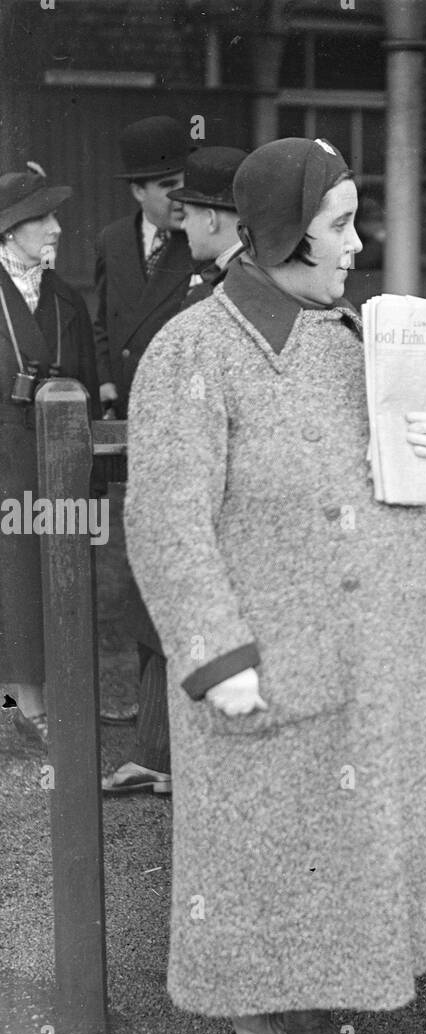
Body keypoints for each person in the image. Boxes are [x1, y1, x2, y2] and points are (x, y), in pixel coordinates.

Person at [124, 138, 426, 1034]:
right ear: (281, 234)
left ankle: (303, 1022)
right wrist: (215, 656)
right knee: (252, 864)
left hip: (354, 665)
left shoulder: (344, 338)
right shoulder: (190, 354)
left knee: (323, 858)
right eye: (339, 226)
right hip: (261, 668)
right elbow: (165, 522)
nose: (355, 246)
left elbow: (375, 481)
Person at [96, 116, 202, 797]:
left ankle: (166, 745)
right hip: (131, 428)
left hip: (182, 429)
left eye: (184, 186)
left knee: (175, 577)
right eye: (166, 187)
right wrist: (108, 387)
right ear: (138, 191)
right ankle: (157, 741)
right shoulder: (109, 242)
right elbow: (106, 320)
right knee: (142, 576)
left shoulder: (203, 247)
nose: (179, 200)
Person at [0, 165, 99, 750]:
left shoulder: (66, 299)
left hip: (59, 457)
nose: (57, 228)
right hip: (5, 460)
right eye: (44, 218)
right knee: (14, 578)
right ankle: (24, 703)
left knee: (63, 574)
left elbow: (85, 378)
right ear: (10, 230)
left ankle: (55, 700)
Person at [169, 146, 248, 306]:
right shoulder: (259, 271)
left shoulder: (228, 288)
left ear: (211, 220)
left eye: (186, 215)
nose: (183, 225)